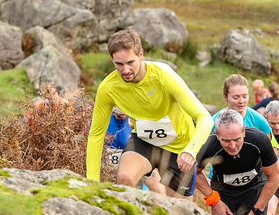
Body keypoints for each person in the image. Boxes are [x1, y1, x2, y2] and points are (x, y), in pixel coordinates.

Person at [86, 29, 212, 198]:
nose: (125, 70)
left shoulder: (163, 75)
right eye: (119, 64)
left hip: (179, 148)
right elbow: (96, 135)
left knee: (179, 211)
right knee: (124, 178)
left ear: (141, 54)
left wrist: (191, 150)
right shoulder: (108, 88)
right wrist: (92, 184)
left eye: (130, 62)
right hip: (145, 141)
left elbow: (204, 118)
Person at [194, 108, 279, 215]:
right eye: (226, 141)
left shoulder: (259, 140)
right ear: (217, 135)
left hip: (253, 190)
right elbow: (194, 172)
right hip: (224, 194)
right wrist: (214, 200)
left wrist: (256, 212)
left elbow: (275, 177)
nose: (233, 146)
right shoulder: (209, 146)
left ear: (244, 132)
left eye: (237, 139)